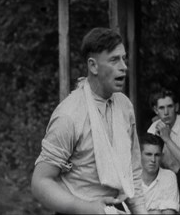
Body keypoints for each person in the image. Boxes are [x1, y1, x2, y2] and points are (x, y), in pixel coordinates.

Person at [31, 27, 147, 214]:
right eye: (114, 59)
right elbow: (40, 182)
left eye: (124, 58)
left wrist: (141, 212)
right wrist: (87, 208)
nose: (124, 66)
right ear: (93, 66)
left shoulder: (125, 106)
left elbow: (133, 170)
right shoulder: (69, 115)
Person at [140, 133, 180, 214]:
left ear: (161, 156)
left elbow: (169, 212)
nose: (153, 160)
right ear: (139, 155)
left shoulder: (169, 176)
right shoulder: (130, 178)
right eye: (148, 154)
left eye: (157, 155)